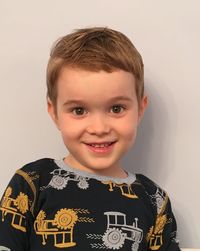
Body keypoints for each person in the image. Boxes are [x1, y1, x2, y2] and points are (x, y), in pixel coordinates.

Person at [0, 27, 181, 251]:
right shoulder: (32, 182)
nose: (99, 128)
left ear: (140, 110)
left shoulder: (154, 200)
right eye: (78, 110)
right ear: (54, 113)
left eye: (116, 108)